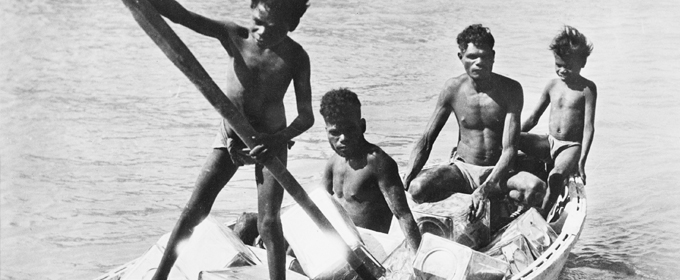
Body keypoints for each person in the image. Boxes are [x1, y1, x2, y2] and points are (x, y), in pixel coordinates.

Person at [145, 0, 314, 279]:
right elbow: (181, 16)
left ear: (291, 26)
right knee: (193, 212)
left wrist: (277, 140)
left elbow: (306, 116)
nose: (260, 32)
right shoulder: (234, 35)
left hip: (270, 143)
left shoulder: (297, 57)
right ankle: (159, 276)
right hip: (230, 136)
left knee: (269, 224)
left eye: (271, 29)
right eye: (257, 22)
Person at [403, 24, 546, 221]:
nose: (479, 62)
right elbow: (427, 140)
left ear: (493, 56)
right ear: (460, 56)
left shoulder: (511, 89)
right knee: (417, 189)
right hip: (463, 170)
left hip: (500, 172)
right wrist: (409, 176)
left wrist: (484, 190)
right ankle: (468, 205)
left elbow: (510, 150)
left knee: (535, 189)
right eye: (471, 57)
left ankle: (500, 205)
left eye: (485, 56)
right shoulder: (452, 89)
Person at [319, 88, 422, 253]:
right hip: (342, 243)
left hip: (370, 249)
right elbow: (318, 204)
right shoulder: (334, 162)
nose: (343, 139)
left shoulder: (378, 163)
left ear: (362, 126)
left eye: (350, 129)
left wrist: (418, 260)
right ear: (326, 132)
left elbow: (403, 215)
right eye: (335, 133)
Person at [519, 25, 596, 216]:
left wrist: (582, 161)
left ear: (582, 63)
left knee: (556, 176)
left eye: (568, 66)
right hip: (549, 141)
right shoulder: (552, 85)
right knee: (510, 140)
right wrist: (513, 137)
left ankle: (542, 215)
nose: (562, 70)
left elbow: (588, 128)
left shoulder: (587, 89)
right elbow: (533, 118)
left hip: (570, 147)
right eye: (558, 65)